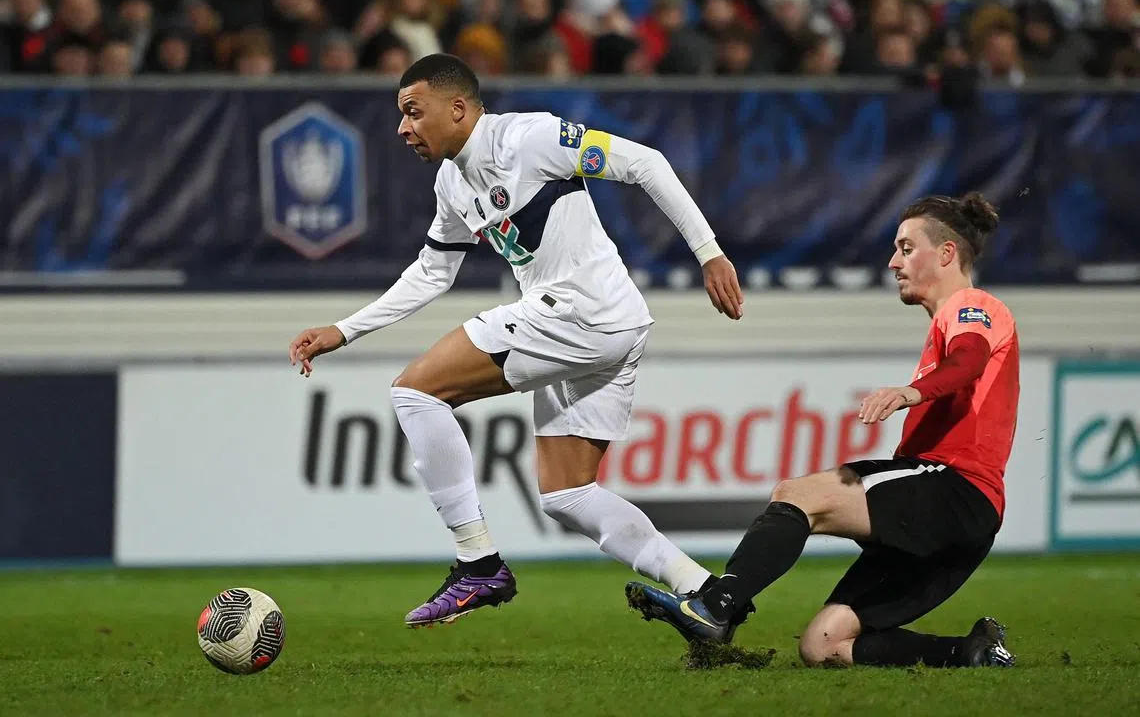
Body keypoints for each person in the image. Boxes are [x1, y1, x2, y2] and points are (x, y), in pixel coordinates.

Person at [288, 54, 745, 628]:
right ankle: (705, 593)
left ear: (457, 109)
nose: (403, 128)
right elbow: (433, 272)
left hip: (582, 313)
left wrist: (709, 254)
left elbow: (646, 163)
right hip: (609, 327)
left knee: (415, 394)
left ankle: (477, 562)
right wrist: (345, 330)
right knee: (567, 496)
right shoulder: (452, 183)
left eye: (412, 112)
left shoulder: (532, 137)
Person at [626, 192, 1019, 669]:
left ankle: (716, 607)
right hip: (963, 521)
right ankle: (971, 652)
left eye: (906, 248)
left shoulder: (970, 305)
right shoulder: (947, 324)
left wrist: (910, 393)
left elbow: (969, 361)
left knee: (799, 495)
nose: (893, 261)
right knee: (824, 645)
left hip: (955, 488)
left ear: (946, 253)